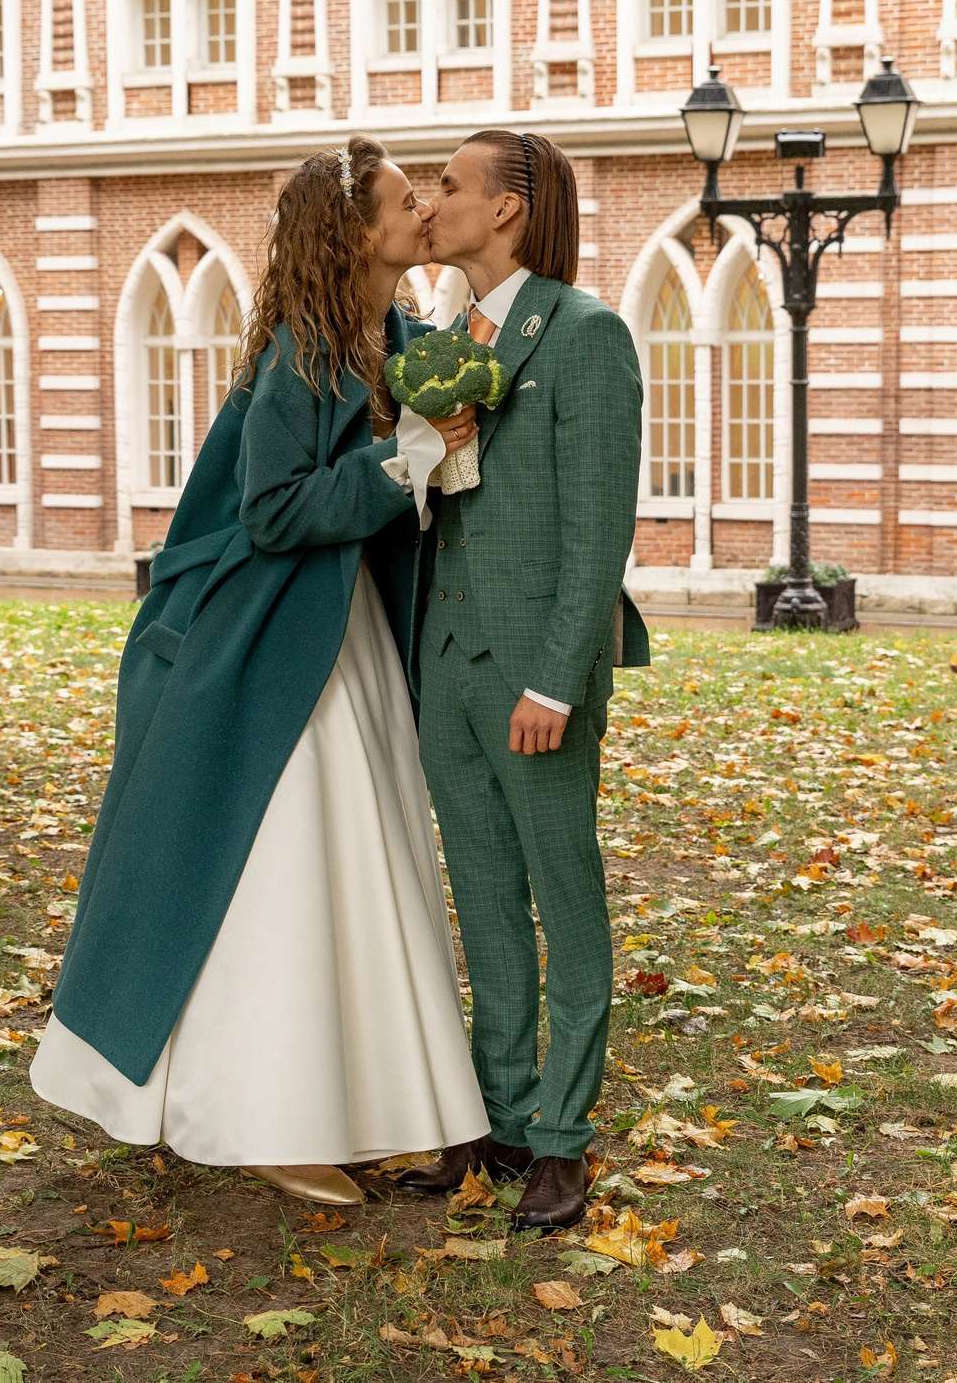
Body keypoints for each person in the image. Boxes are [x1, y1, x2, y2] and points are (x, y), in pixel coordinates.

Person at [33, 137, 487, 1205]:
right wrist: (404, 461)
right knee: (282, 867)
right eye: (402, 201)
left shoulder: (393, 335)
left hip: (344, 632)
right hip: (266, 639)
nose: (420, 212)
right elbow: (274, 511)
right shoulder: (301, 353)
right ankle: (261, 1113)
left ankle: (352, 1096)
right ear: (354, 232)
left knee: (354, 865)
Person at [394, 130, 646, 1235]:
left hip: (534, 678)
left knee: (562, 893)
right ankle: (496, 1117)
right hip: (443, 665)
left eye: (448, 185)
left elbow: (598, 530)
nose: (431, 201)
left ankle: (562, 1136)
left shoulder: (586, 334)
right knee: (483, 897)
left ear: (505, 210)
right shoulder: (440, 337)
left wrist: (554, 679)